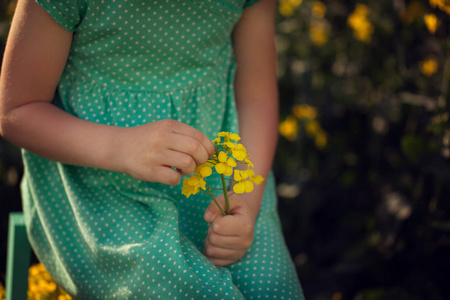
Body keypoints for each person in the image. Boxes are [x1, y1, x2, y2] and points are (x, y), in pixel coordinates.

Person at [0, 0, 304, 298]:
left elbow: (256, 97)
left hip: (223, 182)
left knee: (271, 288)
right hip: (95, 189)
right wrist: (121, 147)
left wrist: (245, 200)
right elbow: (17, 112)